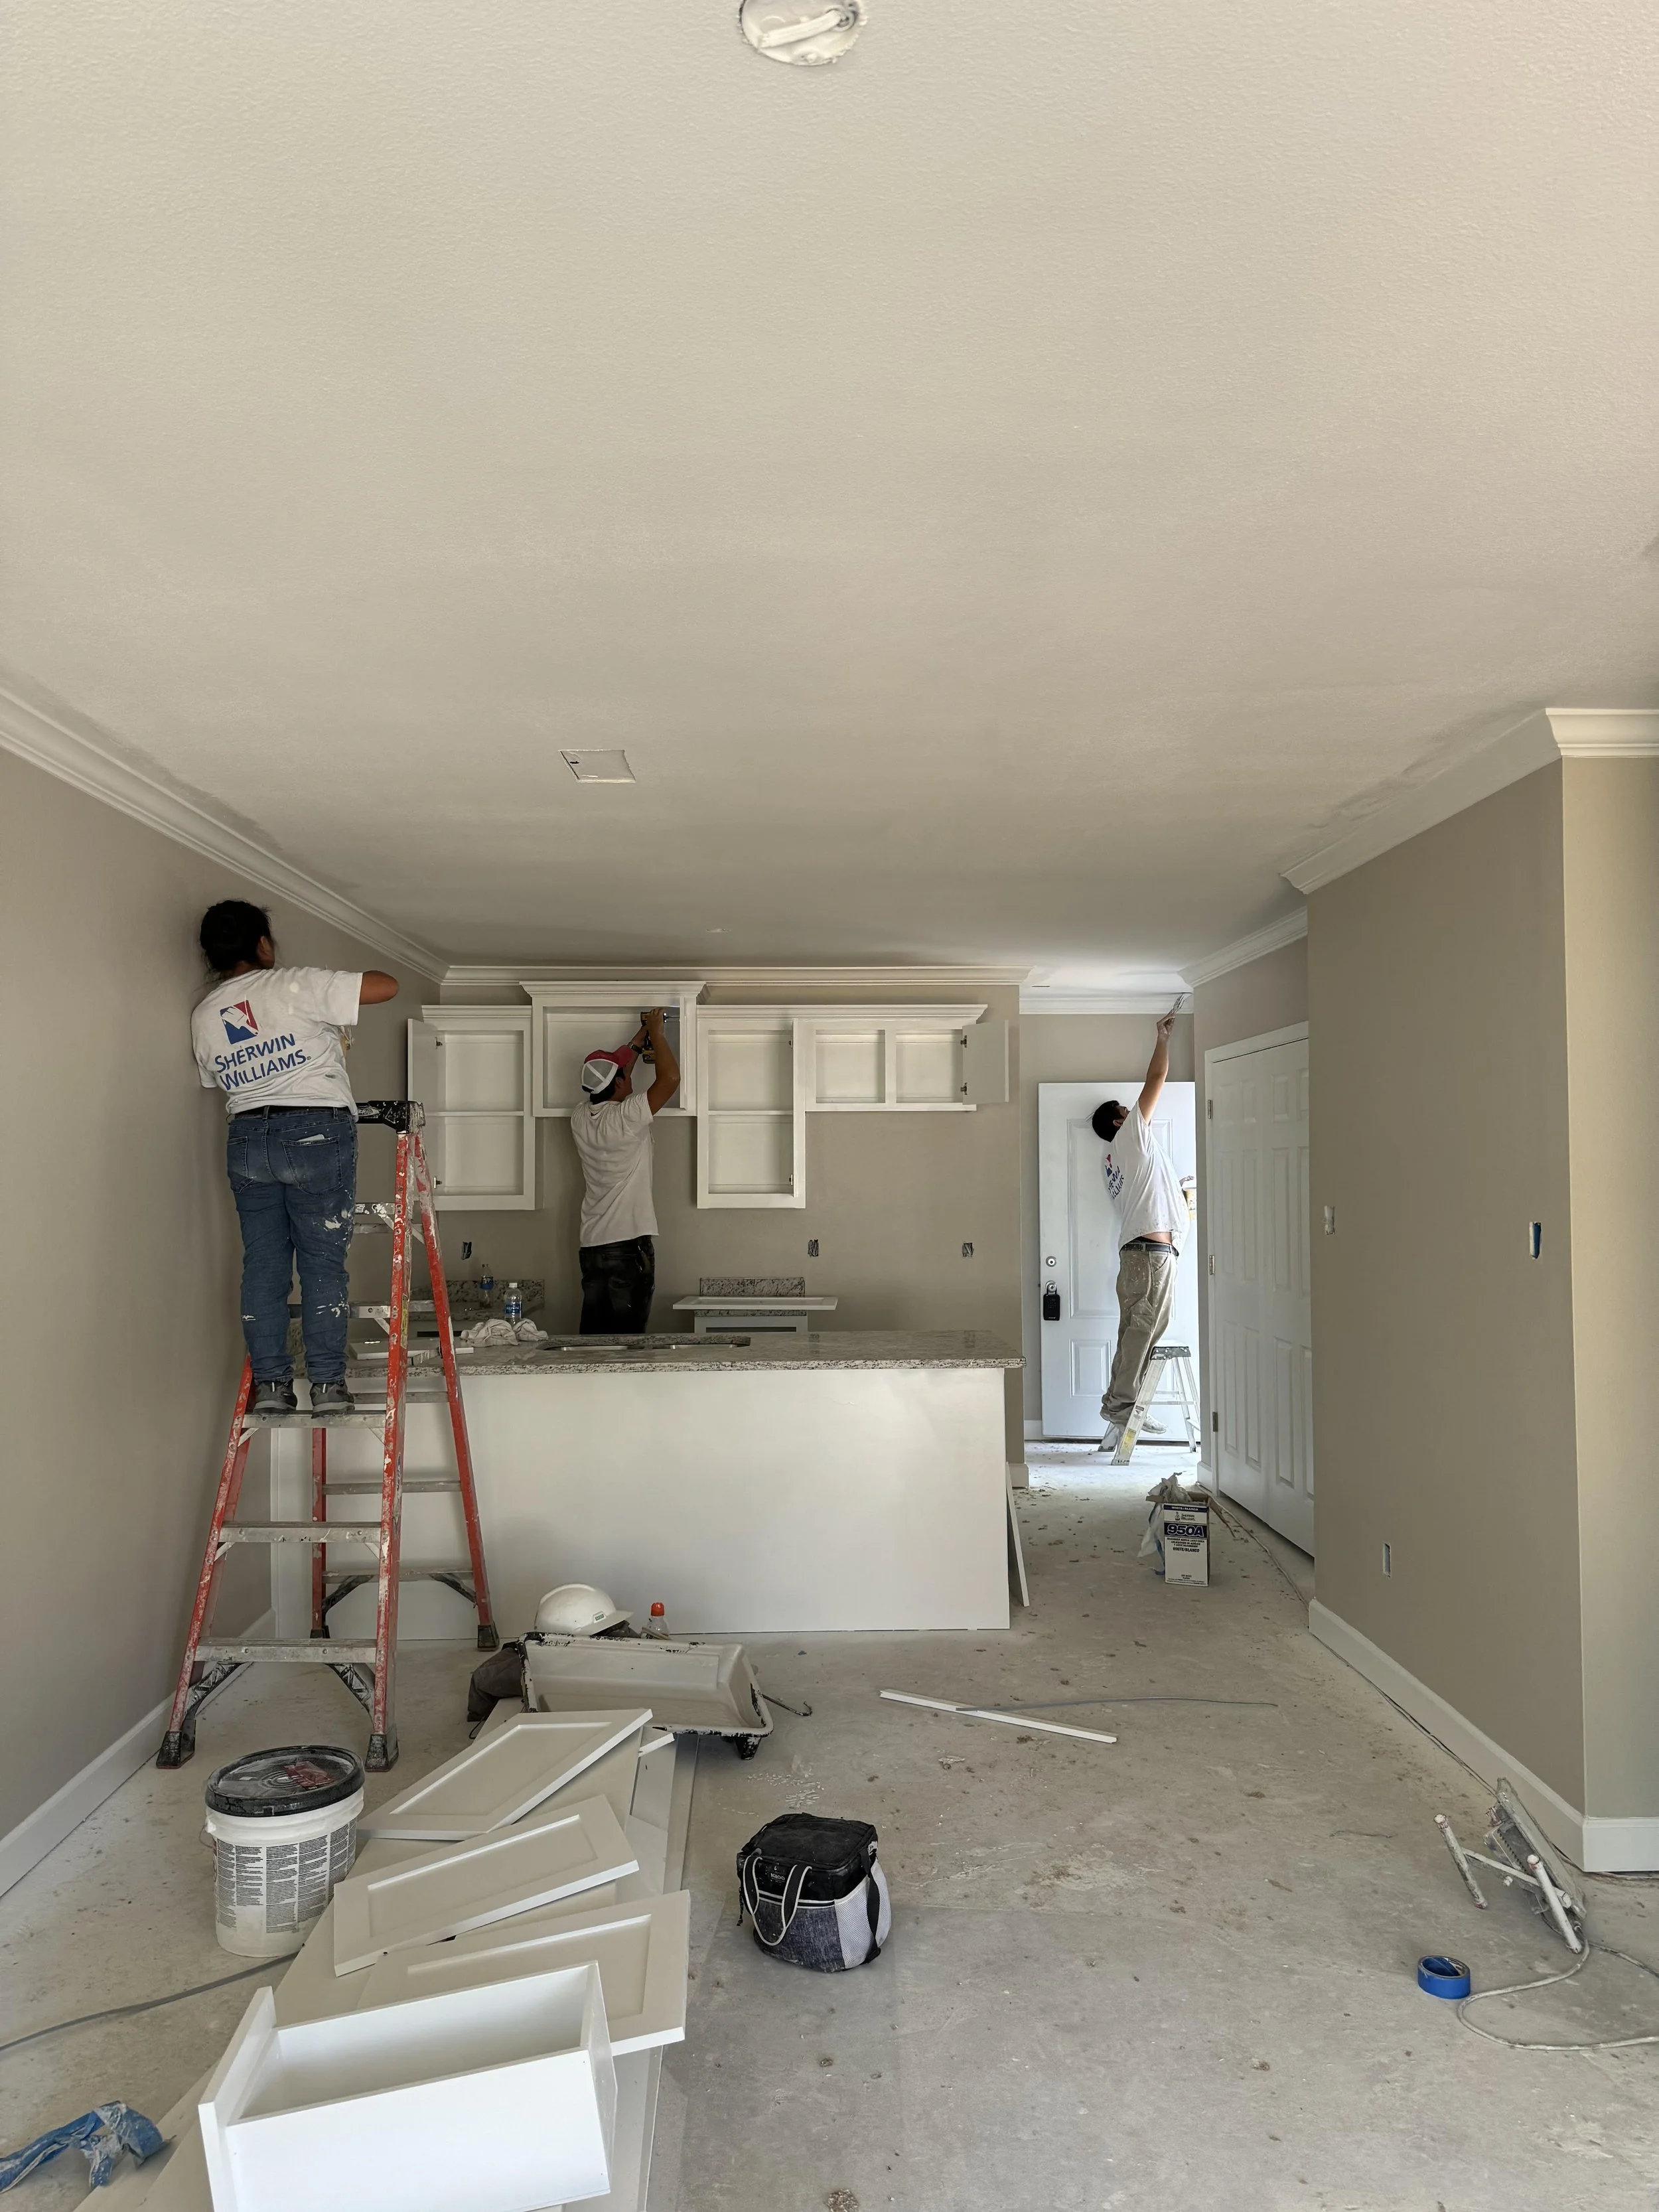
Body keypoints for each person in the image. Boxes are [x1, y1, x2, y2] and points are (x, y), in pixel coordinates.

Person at [191, 899, 399, 1418]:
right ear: (263, 945)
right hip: (313, 1130)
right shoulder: (289, 985)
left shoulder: (204, 1014)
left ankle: (271, 1388)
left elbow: (217, 1079)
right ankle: (327, 1386)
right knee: (322, 1261)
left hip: (245, 1138)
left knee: (263, 1265)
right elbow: (386, 985)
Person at [1092, 1010, 1187, 1453]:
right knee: (1144, 1328)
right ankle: (1123, 1405)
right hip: (1149, 1256)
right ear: (1118, 1122)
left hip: (1142, 1253)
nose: (1136, 1113)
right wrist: (1163, 1039)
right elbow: (1156, 1077)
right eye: (1127, 1112)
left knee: (1138, 1328)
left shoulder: (1116, 1159)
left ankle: (1118, 1401)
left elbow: (1154, 1193)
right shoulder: (1130, 1137)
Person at [570, 1008, 680, 1334]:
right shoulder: (627, 1118)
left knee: (594, 1339)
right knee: (628, 1344)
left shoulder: (579, 1117)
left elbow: (613, 1078)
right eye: (625, 1073)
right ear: (619, 1082)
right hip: (627, 1248)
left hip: (592, 1246)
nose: (630, 1075)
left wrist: (639, 1037)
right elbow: (670, 1080)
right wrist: (657, 1034)